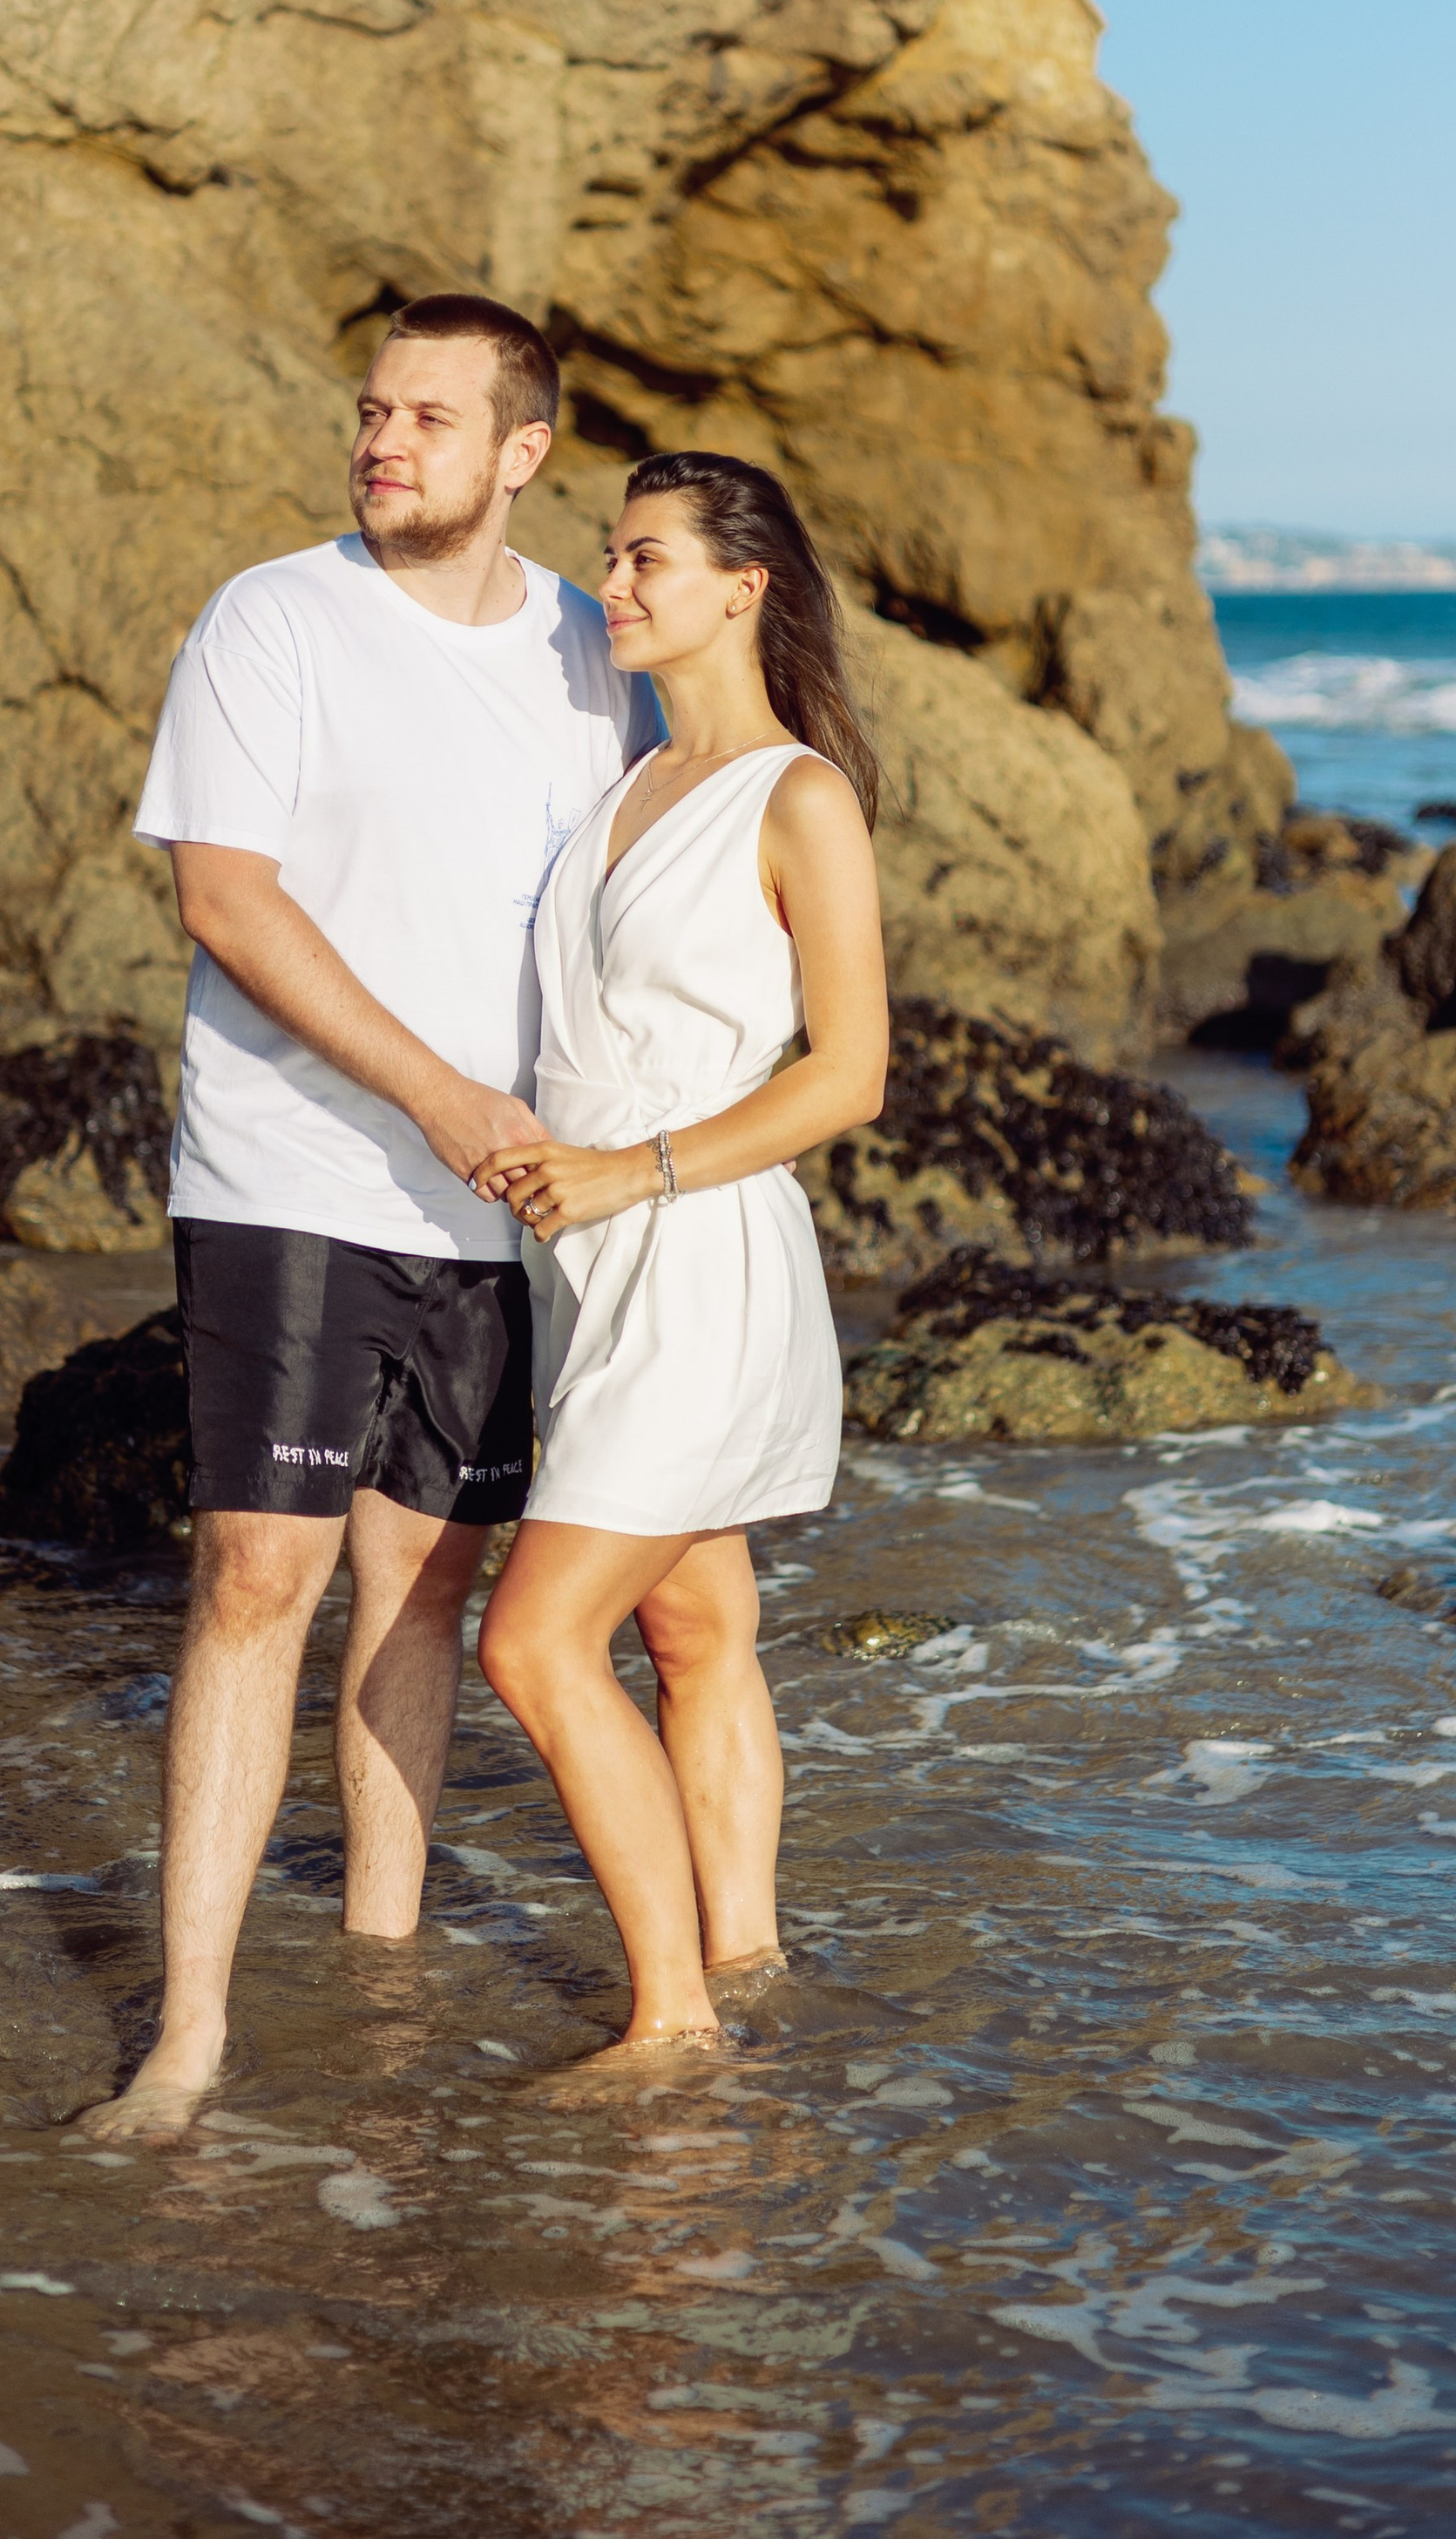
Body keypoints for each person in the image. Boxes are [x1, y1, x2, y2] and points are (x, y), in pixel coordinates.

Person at [81, 295, 650, 2142]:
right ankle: (186, 2043)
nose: (381, 440)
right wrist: (434, 1097)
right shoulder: (273, 617)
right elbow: (225, 901)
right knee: (261, 1571)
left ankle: (383, 1995)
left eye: (425, 416)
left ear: (519, 454)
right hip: (293, 1173)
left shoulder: (589, 650)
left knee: (423, 1596)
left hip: (505, 1208)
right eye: (369, 410)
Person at [471, 451, 889, 2052]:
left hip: (697, 1255)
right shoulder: (621, 790)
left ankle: (666, 2029)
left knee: (534, 1639)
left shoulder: (800, 796)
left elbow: (847, 1077)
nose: (617, 585)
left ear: (746, 585)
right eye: (611, 555)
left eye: (649, 558)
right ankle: (750, 1967)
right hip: (585, 1261)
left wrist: (620, 1172)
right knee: (694, 1629)